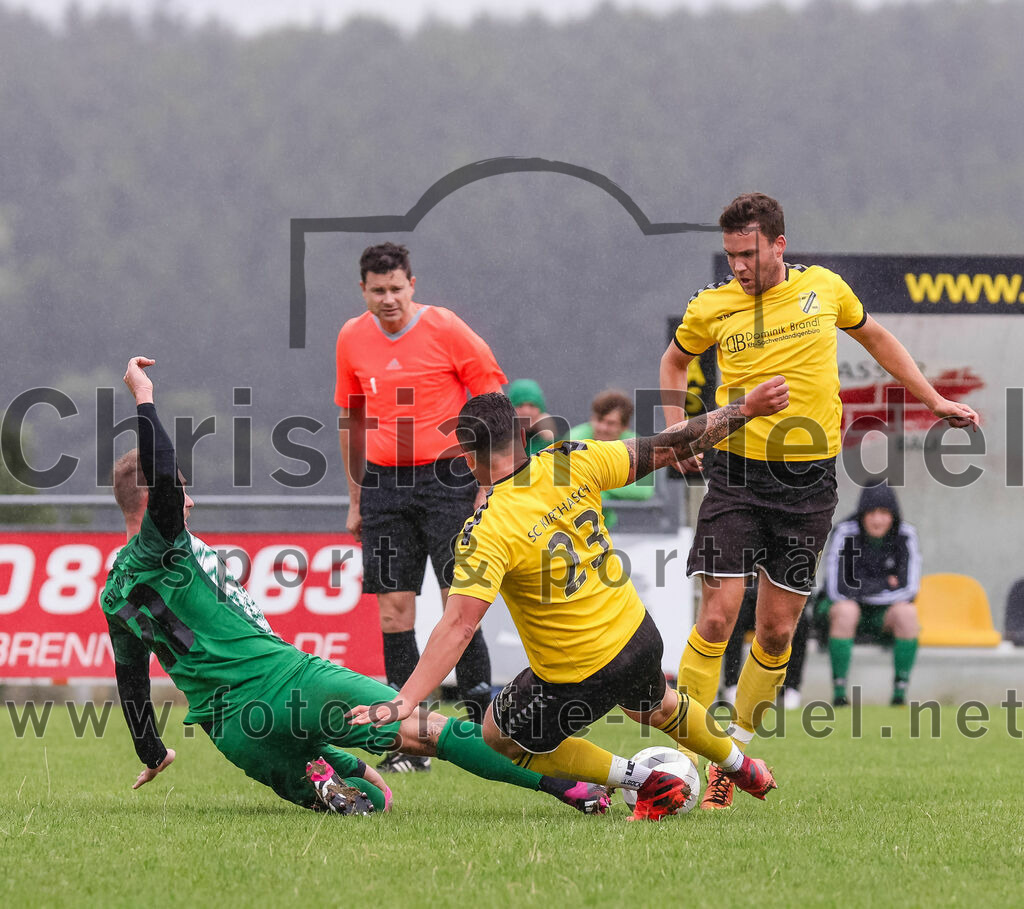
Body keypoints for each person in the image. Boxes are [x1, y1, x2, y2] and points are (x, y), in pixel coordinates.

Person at [102, 356, 611, 817]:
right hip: (288, 679)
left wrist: (153, 752)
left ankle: (323, 771)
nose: (188, 502)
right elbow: (165, 480)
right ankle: (565, 786)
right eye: (182, 494)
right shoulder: (162, 544)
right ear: (151, 502)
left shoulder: (112, 596)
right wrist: (144, 399)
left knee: (373, 796)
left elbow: (132, 685)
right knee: (426, 732)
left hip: (234, 730)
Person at [659, 193, 979, 809]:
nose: (738, 268)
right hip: (735, 471)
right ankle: (688, 755)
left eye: (748, 254)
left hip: (808, 483)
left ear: (779, 244)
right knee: (719, 615)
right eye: (730, 256)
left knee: (777, 632)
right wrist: (679, 434)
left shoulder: (825, 289)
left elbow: (879, 340)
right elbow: (674, 362)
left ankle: (735, 756)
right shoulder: (713, 305)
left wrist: (933, 400)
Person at [349, 379, 790, 821]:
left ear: (467, 458)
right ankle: (742, 765)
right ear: (520, 436)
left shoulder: (485, 530)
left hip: (577, 674)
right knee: (660, 707)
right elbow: (666, 446)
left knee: (498, 738)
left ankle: (644, 779)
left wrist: (405, 701)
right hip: (638, 636)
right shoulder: (572, 458)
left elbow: (459, 626)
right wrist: (746, 409)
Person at [336, 242, 504, 769]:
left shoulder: (446, 328)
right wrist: (357, 496)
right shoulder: (351, 338)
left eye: (396, 288)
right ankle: (407, 736)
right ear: (362, 289)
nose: (388, 299)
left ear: (412, 284)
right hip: (384, 485)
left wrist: (490, 483)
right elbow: (353, 421)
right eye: (377, 290)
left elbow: (492, 399)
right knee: (393, 610)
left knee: (461, 602)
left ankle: (482, 725)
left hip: (449, 478)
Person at [823, 482, 922, 706]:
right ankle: (839, 694)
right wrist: (886, 583)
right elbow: (837, 590)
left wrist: (861, 588)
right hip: (844, 613)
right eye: (872, 513)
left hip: (883, 615)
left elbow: (910, 590)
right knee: (846, 610)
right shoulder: (844, 533)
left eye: (884, 513)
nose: (878, 520)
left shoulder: (906, 535)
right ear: (862, 514)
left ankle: (899, 693)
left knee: (907, 613)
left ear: (893, 516)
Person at [568, 388, 655, 530]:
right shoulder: (574, 438)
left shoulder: (637, 445)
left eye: (610, 423)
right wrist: (614, 482)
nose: (602, 427)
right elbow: (564, 483)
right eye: (599, 420)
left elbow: (644, 491)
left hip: (613, 528)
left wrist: (598, 484)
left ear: (624, 426)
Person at [720, 577, 810, 710]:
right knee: (734, 614)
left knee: (801, 622)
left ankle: (791, 687)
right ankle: (731, 684)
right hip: (749, 596)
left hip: (782, 593)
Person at [507, 378, 561, 455]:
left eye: (531, 405)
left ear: (540, 409)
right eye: (520, 405)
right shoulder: (501, 440)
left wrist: (549, 440)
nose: (526, 411)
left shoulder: (548, 438)